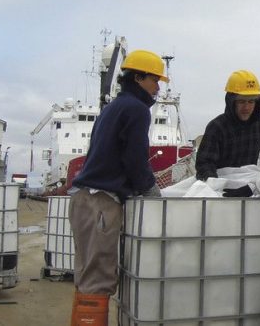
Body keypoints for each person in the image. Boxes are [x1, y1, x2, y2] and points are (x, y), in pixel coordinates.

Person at [69, 50, 167, 326]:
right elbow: (134, 158)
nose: (158, 88)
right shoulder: (136, 110)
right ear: (138, 78)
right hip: (101, 201)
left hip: (84, 199)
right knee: (98, 278)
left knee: (86, 274)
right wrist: (150, 189)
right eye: (154, 80)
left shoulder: (112, 108)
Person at [195, 70, 260, 197]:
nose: (246, 107)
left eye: (251, 102)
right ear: (231, 101)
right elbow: (205, 164)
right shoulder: (216, 127)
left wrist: (253, 187)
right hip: (222, 190)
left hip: (251, 188)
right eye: (241, 101)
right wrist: (218, 188)